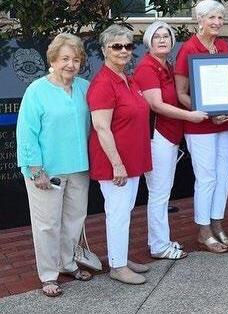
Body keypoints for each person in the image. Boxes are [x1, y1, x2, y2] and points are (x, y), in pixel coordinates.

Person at [16, 34, 92, 297]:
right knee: (47, 224)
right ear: (53, 60)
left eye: (76, 59)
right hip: (46, 171)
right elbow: (26, 132)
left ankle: (67, 263)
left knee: (74, 220)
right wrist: (36, 169)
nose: (71, 64)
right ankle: (49, 274)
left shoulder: (85, 87)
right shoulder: (37, 90)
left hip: (79, 167)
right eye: (65, 59)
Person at [175, 0, 228, 253]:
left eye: (220, 17)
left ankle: (217, 223)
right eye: (212, 18)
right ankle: (203, 230)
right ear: (200, 20)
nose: (217, 22)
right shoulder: (189, 48)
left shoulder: (223, 46)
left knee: (224, 174)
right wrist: (206, 114)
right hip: (200, 127)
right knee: (206, 178)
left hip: (225, 124)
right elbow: (181, 93)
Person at [133, 21, 208, 260]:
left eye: (166, 36)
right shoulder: (147, 68)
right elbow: (156, 105)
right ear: (149, 42)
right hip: (157, 137)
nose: (162, 40)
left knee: (162, 192)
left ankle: (160, 240)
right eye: (157, 37)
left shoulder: (167, 65)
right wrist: (191, 116)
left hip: (169, 136)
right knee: (159, 193)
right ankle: (159, 246)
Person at [88, 24, 152, 285]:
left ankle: (121, 257)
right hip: (115, 163)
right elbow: (101, 127)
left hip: (132, 159)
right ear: (105, 50)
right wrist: (117, 164)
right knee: (117, 213)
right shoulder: (103, 83)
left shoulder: (128, 78)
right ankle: (117, 266)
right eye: (117, 46)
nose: (124, 50)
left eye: (128, 45)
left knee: (125, 211)